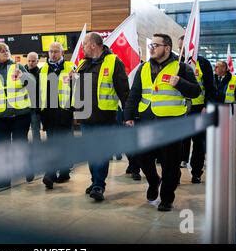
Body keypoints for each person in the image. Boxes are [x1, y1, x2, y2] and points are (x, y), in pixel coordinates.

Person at [124, 33, 201, 212]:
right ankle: (153, 181)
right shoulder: (143, 68)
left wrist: (180, 83)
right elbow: (134, 94)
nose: (151, 48)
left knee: (170, 164)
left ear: (167, 48)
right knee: (142, 157)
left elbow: (196, 92)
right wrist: (128, 116)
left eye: (155, 45)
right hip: (146, 121)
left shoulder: (181, 68)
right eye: (151, 45)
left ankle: (167, 198)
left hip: (171, 123)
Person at [73, 32, 130, 201]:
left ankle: (99, 185)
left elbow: (124, 91)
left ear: (92, 45)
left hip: (105, 118)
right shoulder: (83, 64)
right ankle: (94, 181)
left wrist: (128, 115)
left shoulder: (114, 62)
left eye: (84, 44)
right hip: (86, 117)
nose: (82, 47)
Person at [0, 42, 33, 188]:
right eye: (2, 51)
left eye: (7, 50)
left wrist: (23, 76)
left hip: (20, 115)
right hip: (2, 116)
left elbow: (31, 84)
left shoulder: (18, 67)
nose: (6, 52)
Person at [178, 35, 215, 184]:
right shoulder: (176, 63)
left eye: (183, 48)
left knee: (198, 143)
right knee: (179, 143)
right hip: (179, 110)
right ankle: (176, 174)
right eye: (179, 48)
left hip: (199, 110)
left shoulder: (204, 64)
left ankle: (196, 172)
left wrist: (207, 106)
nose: (181, 50)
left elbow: (211, 88)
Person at [39, 42, 75, 189]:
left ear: (62, 53)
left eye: (56, 51)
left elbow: (78, 88)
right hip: (48, 113)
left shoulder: (70, 67)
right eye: (50, 51)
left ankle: (57, 172)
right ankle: (53, 172)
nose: (53, 54)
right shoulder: (43, 70)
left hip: (64, 112)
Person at [213, 60, 236, 140]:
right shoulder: (212, 80)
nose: (215, 68)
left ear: (224, 68)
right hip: (215, 112)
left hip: (229, 112)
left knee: (227, 137)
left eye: (217, 66)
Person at [25, 52, 42, 146]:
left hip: (35, 108)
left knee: (35, 131)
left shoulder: (40, 73)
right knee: (23, 131)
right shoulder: (22, 71)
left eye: (33, 61)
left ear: (37, 61)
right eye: (29, 61)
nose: (30, 63)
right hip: (23, 107)